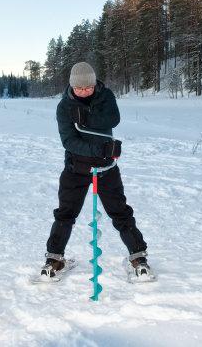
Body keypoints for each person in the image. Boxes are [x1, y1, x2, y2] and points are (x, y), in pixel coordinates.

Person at [40, 61, 151, 279]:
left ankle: (139, 257)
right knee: (65, 214)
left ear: (94, 84)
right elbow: (69, 141)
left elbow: (113, 118)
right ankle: (54, 259)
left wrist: (86, 118)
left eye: (87, 87)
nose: (83, 92)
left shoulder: (105, 96)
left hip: (106, 168)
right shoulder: (64, 107)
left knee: (120, 212)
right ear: (72, 86)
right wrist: (98, 148)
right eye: (79, 88)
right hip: (75, 168)